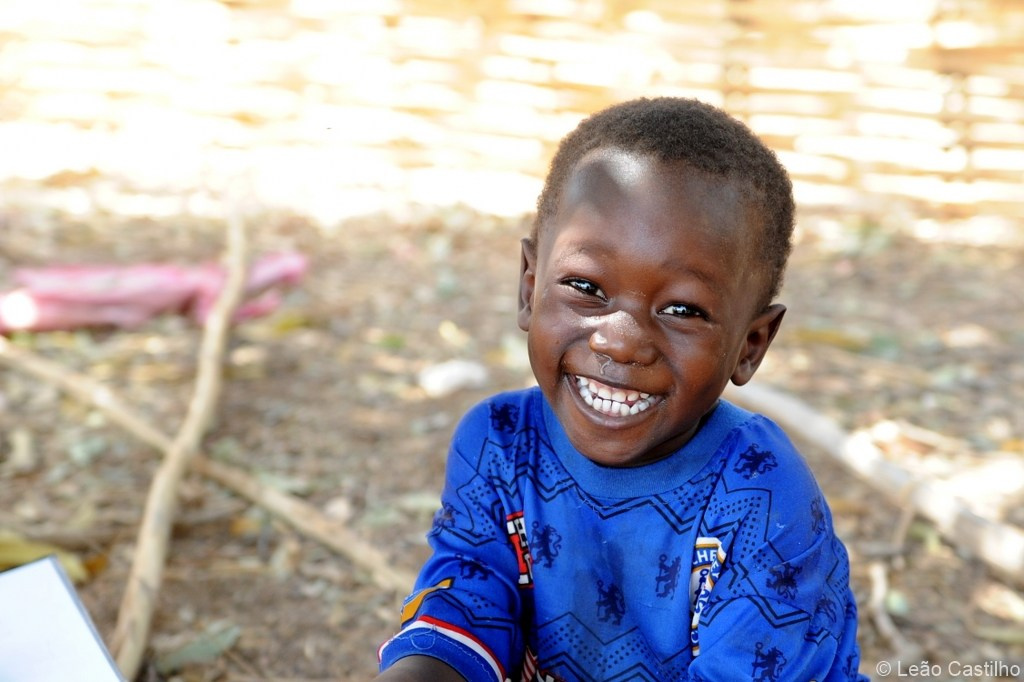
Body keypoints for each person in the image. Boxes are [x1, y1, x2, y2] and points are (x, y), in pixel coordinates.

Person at [375, 97, 867, 681]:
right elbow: (465, 607)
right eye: (586, 285)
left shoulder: (761, 495)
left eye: (683, 308)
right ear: (530, 289)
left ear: (750, 345)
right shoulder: (498, 447)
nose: (622, 340)